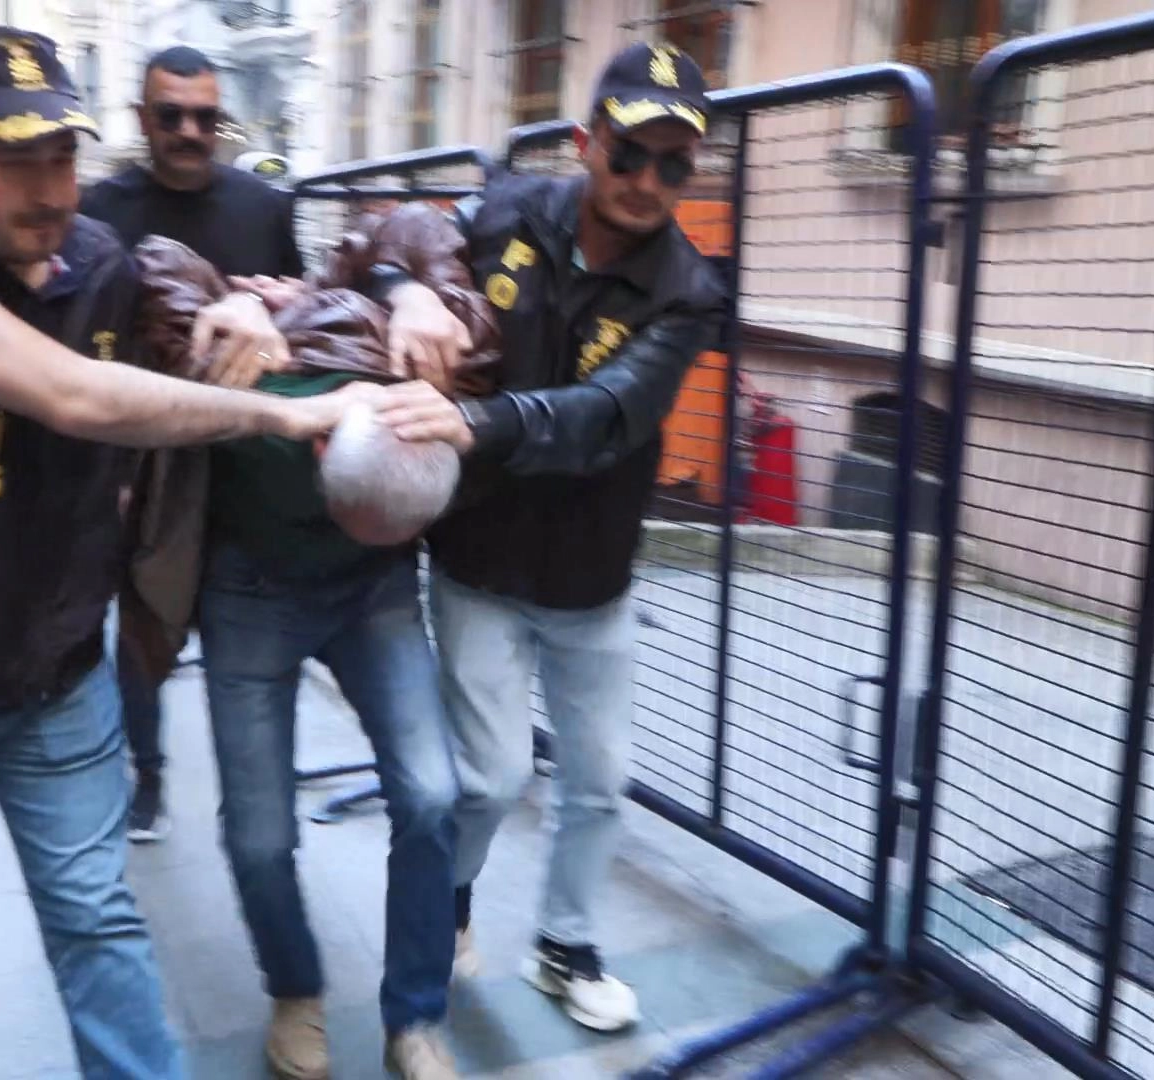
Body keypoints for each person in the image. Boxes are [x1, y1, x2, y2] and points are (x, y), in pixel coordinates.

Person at [0, 27, 373, 1080]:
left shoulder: (99, 261)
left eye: (62, 154)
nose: (49, 188)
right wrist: (283, 417)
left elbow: (186, 299)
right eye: (13, 158)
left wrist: (238, 301)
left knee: (95, 912)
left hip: (53, 665)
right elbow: (71, 394)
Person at [365, 42, 729, 1033]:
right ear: (586, 141)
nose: (647, 180)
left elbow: (612, 412)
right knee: (487, 779)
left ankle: (566, 946)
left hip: (590, 579)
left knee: (600, 782)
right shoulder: (508, 209)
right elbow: (396, 236)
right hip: (478, 561)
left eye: (674, 164)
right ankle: (449, 904)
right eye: (630, 152)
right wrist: (405, 290)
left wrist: (477, 423)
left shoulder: (689, 290)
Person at [125, 207, 494, 1080]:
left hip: (373, 595)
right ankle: (294, 990)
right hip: (249, 593)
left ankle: (416, 1017)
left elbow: (412, 226)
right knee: (258, 833)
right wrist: (233, 304)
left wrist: (417, 296)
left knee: (432, 793)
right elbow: (150, 259)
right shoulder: (248, 361)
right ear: (324, 448)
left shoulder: (406, 367)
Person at [81, 44, 303, 843]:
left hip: (243, 454)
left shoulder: (262, 207)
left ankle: (255, 802)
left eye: (205, 117)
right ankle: (146, 774)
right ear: (142, 118)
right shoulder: (99, 211)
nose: (189, 131)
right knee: (143, 620)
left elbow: (294, 313)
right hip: (142, 454)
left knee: (246, 630)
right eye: (171, 115)